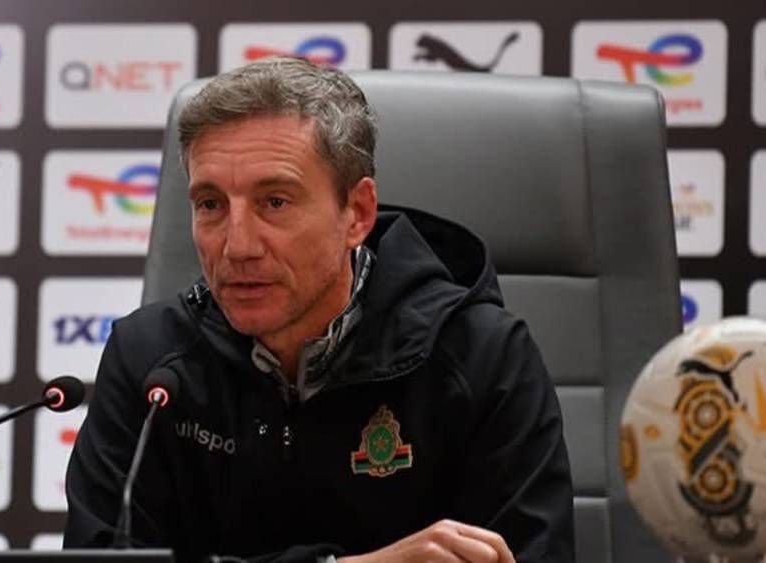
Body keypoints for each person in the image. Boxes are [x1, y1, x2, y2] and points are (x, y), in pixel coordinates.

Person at [64, 56, 574, 563]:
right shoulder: (150, 364)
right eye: (211, 204)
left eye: (275, 202)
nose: (237, 246)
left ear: (358, 214)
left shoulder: (482, 356)